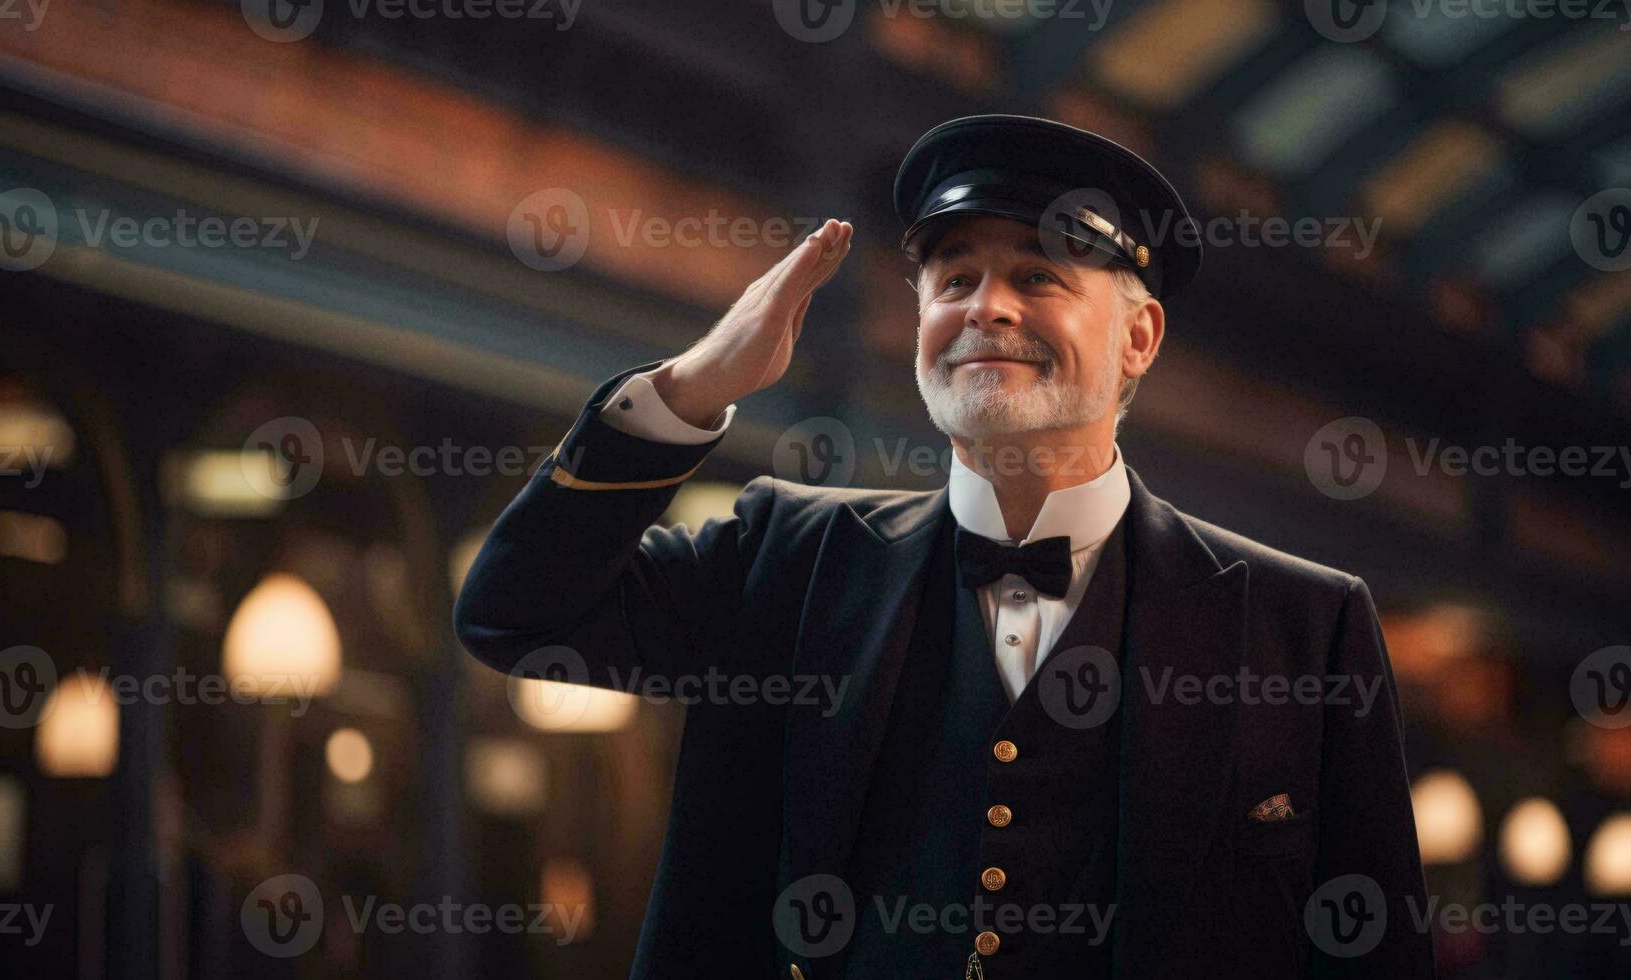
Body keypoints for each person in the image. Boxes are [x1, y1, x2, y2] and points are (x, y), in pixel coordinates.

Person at [455, 114, 1432, 979]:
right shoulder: (785, 558)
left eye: (1038, 274)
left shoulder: (1308, 625)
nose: (987, 307)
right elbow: (517, 612)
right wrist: (694, 386)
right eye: (955, 277)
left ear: (1140, 337)